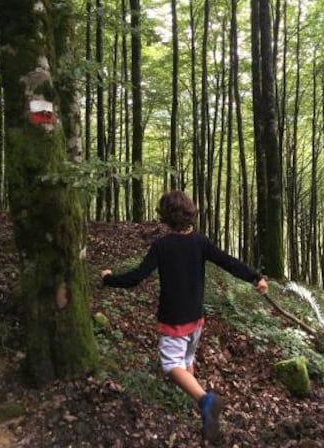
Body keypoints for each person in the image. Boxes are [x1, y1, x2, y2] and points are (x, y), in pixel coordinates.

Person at [101, 190, 268, 444]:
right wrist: (255, 276)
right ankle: (203, 413)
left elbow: (136, 277)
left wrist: (108, 278)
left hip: (174, 321)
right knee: (187, 360)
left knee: (171, 366)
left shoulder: (161, 246)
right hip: (196, 320)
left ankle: (205, 401)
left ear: (165, 217)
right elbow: (228, 262)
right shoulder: (200, 242)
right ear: (190, 214)